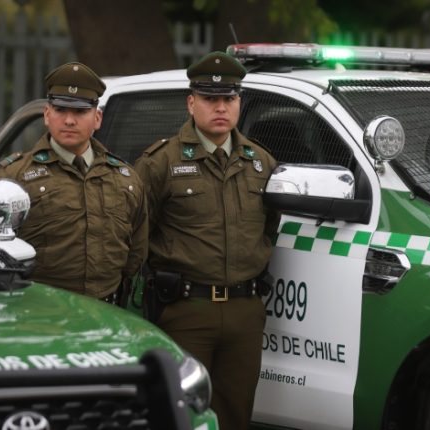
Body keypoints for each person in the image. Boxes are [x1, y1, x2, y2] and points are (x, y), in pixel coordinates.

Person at [134, 51, 278, 430]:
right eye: (210, 99)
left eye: (228, 99)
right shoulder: (160, 162)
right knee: (180, 416)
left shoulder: (261, 162)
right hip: (185, 309)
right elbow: (135, 231)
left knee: (234, 416)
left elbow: (270, 228)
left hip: (245, 311)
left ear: (239, 103)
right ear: (191, 102)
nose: (220, 108)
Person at [0, 62, 148, 302]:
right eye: (61, 109)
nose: (69, 120)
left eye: (80, 112)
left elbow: (135, 256)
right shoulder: (12, 178)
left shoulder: (125, 179)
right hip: (41, 314)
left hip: (106, 314)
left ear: (97, 118)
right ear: (47, 115)